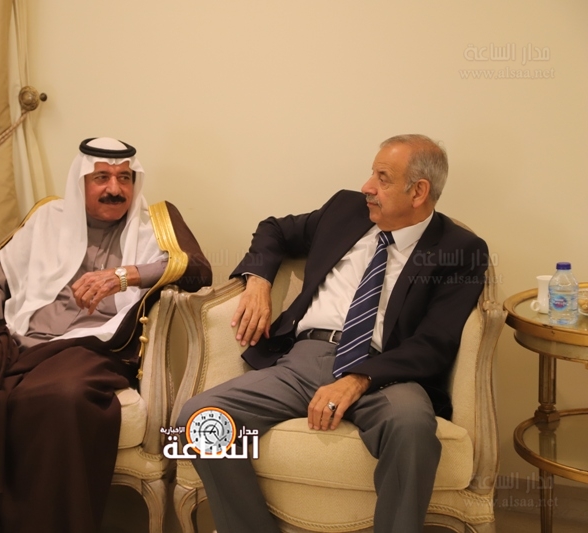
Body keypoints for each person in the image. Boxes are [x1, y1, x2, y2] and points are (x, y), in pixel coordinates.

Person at [0, 137, 212, 533]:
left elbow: (197, 270)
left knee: (57, 398)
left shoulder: (153, 223)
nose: (115, 188)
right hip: (20, 342)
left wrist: (124, 276)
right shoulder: (46, 221)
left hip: (94, 348)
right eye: (102, 177)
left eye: (124, 178)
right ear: (80, 182)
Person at [177, 134, 489, 533]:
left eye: (382, 178)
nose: (367, 187)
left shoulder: (460, 250)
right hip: (303, 361)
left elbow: (435, 343)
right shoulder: (346, 209)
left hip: (387, 373)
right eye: (371, 173)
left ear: (419, 192)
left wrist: (359, 379)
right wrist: (258, 281)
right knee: (198, 417)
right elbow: (274, 229)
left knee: (412, 429)